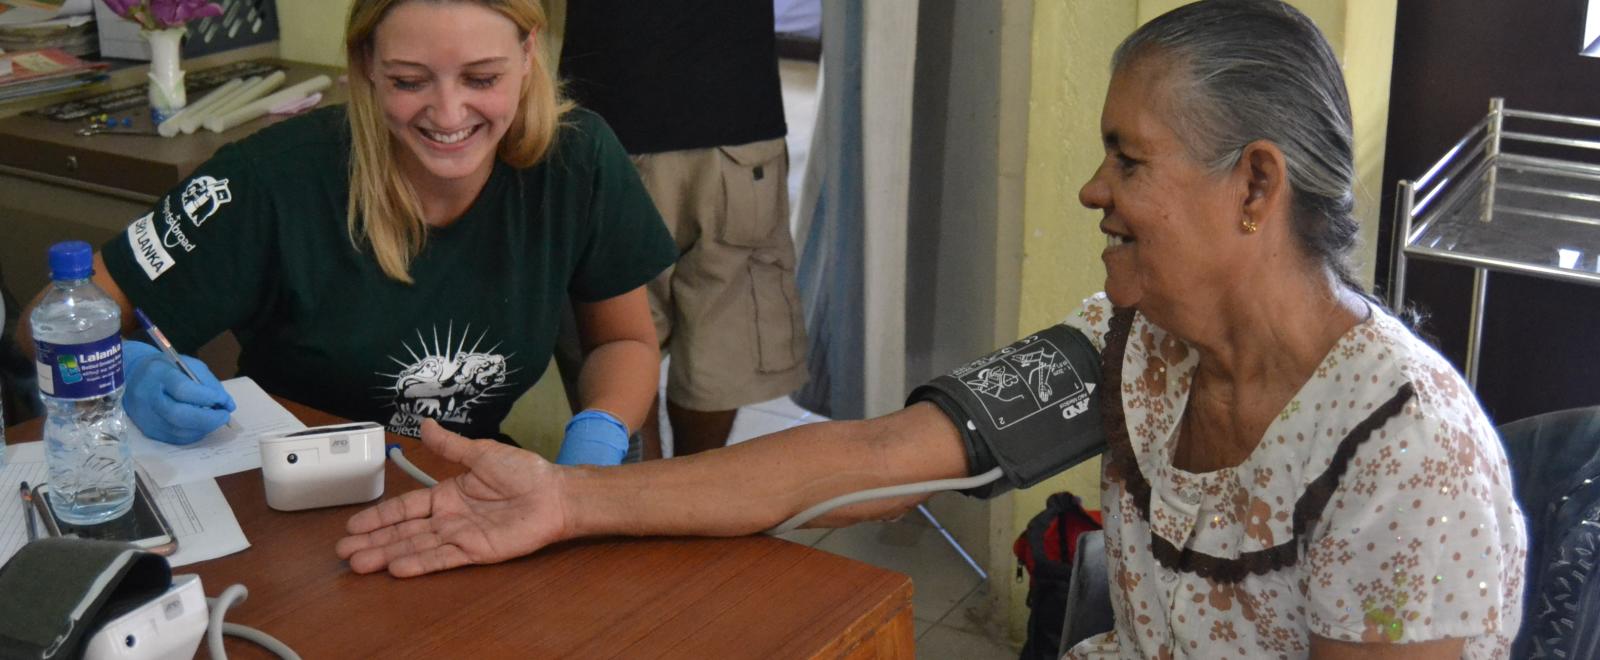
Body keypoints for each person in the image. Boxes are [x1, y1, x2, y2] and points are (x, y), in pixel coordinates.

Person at [335, 1, 1527, 657]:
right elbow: (869, 456)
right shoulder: (1134, 344)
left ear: (1255, 187)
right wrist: (566, 499)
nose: (1090, 191)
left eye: (1128, 159)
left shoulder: (1406, 461)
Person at [16, 0, 676, 465]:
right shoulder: (268, 181)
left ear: (528, 54)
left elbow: (623, 340)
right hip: (286, 490)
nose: (449, 114)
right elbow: (39, 328)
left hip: (462, 485)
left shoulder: (575, 160)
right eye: (409, 81)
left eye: (483, 78)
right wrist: (128, 371)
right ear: (365, 63)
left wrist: (597, 438)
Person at [555, 2, 809, 459]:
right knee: (702, 337)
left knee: (620, 344)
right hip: (714, 117)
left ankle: (661, 499)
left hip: (623, 107)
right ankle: (671, 498)